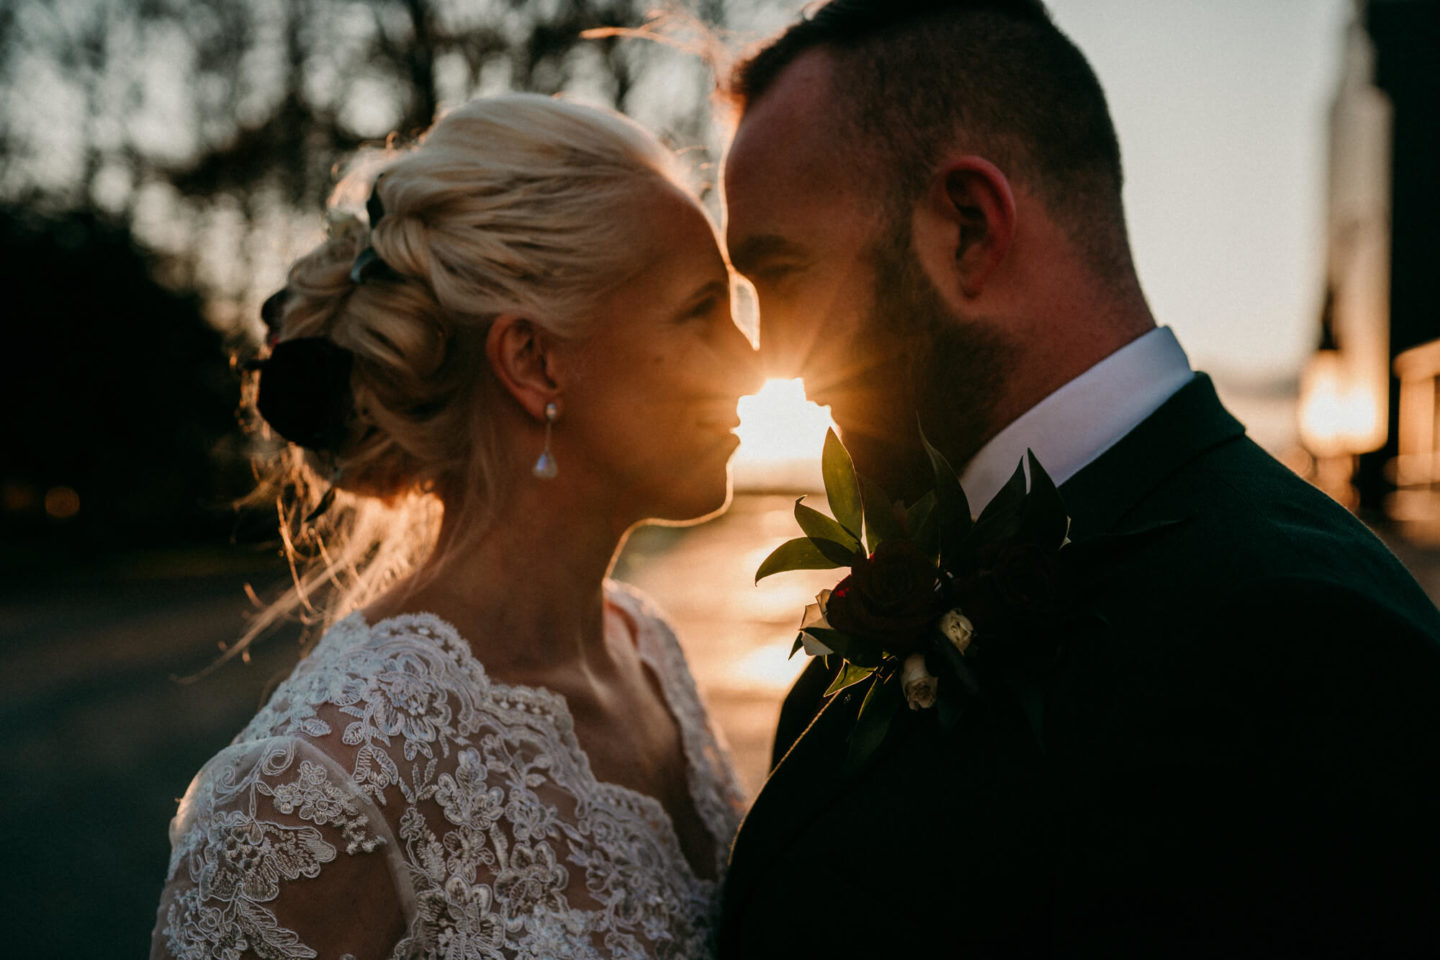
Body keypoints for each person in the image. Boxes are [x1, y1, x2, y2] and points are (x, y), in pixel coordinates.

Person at [719, 0, 1440, 956]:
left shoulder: (1312, 645)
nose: (774, 355)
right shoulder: (888, 609)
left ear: (970, 228)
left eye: (784, 275)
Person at [151, 93, 759, 959]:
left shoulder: (648, 650)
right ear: (534, 360)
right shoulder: (307, 796)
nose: (753, 365)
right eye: (702, 311)